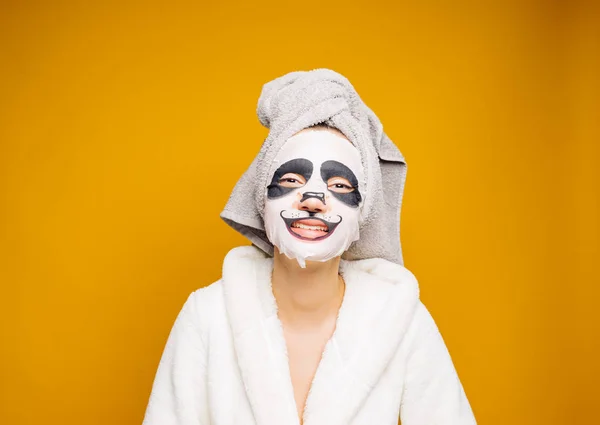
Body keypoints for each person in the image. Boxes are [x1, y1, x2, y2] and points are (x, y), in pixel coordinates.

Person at [142, 69, 477, 425]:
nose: (313, 200)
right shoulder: (206, 316)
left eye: (339, 184)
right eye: (291, 179)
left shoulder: (403, 319)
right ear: (261, 198)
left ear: (363, 210)